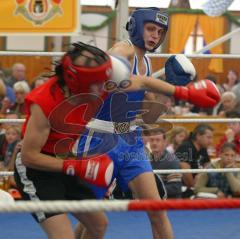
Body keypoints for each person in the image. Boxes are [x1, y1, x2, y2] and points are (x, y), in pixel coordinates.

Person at [75, 8, 220, 239]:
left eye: (160, 32)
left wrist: (167, 89)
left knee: (157, 209)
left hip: (130, 140)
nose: (155, 35)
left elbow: (150, 116)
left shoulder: (147, 62)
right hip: (100, 140)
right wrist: (181, 91)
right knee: (94, 216)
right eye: (150, 29)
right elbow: (116, 80)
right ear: (135, 27)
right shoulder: (122, 50)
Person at [14, 41, 133, 239]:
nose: (102, 89)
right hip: (36, 170)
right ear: (77, 81)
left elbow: (134, 63)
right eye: (97, 83)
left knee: (99, 225)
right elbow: (29, 157)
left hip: (65, 159)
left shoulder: (100, 83)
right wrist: (76, 167)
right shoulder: (44, 103)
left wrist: (182, 92)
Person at [175, 124, 213, 197]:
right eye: (208, 137)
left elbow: (208, 165)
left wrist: (201, 174)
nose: (211, 141)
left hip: (199, 184)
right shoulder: (185, 147)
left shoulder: (203, 148)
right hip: (185, 188)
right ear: (198, 136)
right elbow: (185, 173)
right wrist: (194, 187)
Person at [149, 129, 182, 199]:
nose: (154, 143)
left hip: (169, 204)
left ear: (164, 142)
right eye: (152, 140)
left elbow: (175, 188)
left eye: (158, 140)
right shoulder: (146, 159)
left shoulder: (172, 161)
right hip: (153, 201)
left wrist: (150, 190)